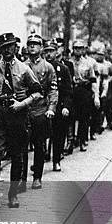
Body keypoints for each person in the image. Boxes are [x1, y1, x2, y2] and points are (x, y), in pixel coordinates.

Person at [0, 33, 42, 208]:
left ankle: (13, 194)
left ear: (15, 47)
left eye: (10, 46)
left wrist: (23, 104)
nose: (7, 50)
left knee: (17, 155)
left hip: (17, 117)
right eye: (3, 47)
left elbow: (37, 92)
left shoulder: (24, 69)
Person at [22, 34, 57, 189]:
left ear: (41, 48)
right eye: (30, 44)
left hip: (40, 110)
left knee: (39, 145)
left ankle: (37, 177)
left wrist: (51, 108)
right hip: (24, 110)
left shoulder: (47, 67)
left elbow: (53, 89)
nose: (32, 47)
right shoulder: (21, 66)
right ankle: (21, 177)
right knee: (21, 145)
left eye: (36, 44)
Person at [44, 40, 73, 172]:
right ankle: (41, 158)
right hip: (42, 106)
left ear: (57, 52)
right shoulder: (40, 67)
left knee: (58, 134)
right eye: (47, 51)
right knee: (40, 135)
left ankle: (56, 160)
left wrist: (66, 106)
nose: (49, 54)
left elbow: (68, 91)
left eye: (51, 51)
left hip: (58, 106)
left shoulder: (63, 69)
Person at [70, 41, 99, 151]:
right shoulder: (69, 62)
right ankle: (71, 140)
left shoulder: (88, 63)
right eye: (76, 48)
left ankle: (82, 140)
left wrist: (96, 96)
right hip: (72, 91)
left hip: (84, 91)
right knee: (71, 116)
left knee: (83, 117)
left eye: (80, 48)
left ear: (83, 50)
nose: (77, 50)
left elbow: (93, 80)